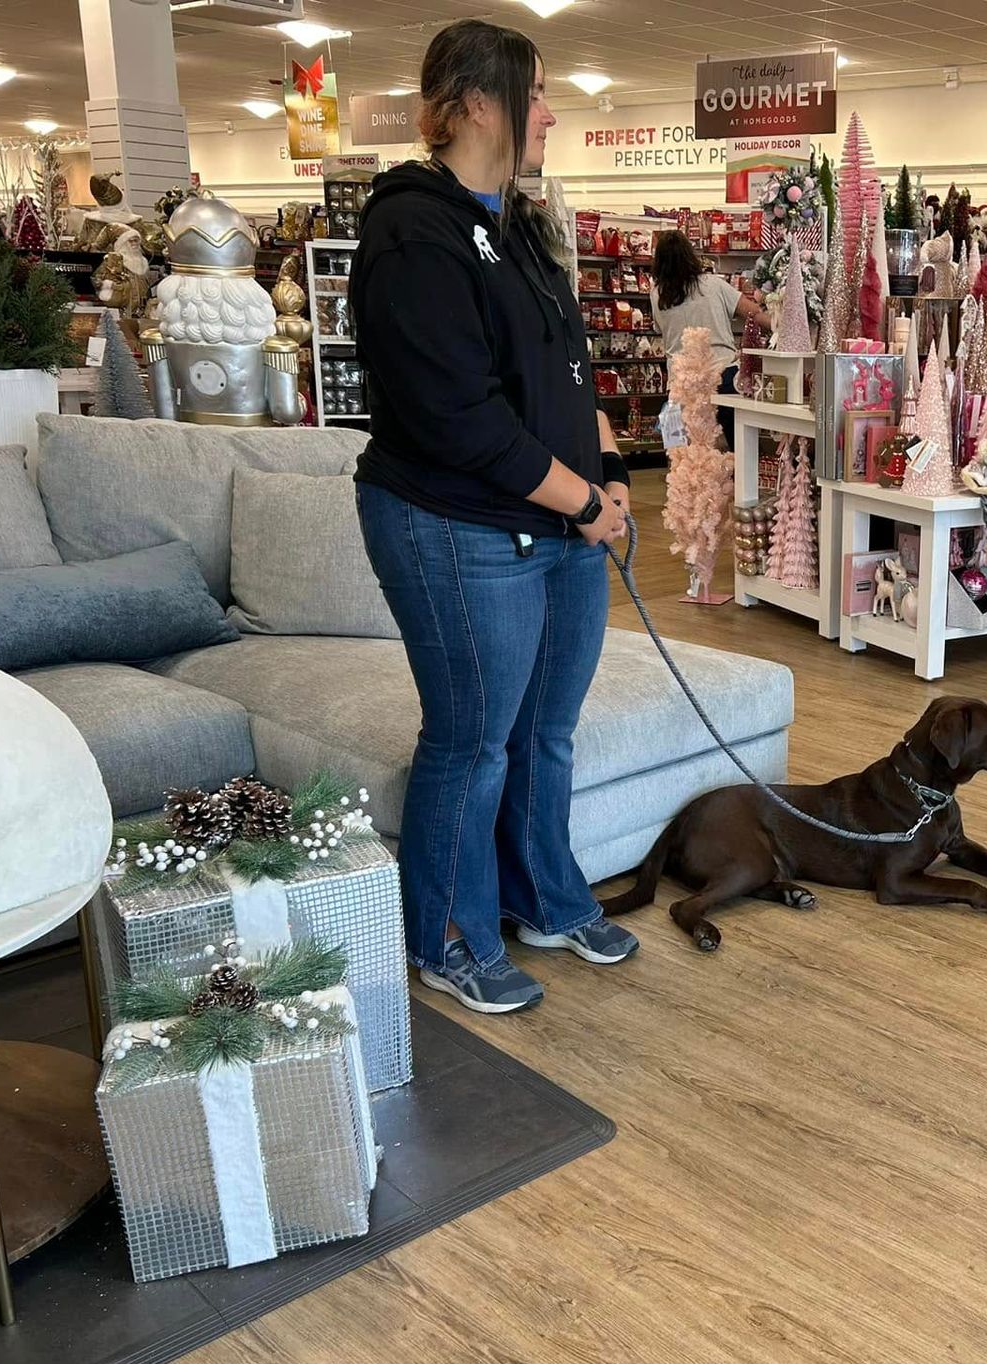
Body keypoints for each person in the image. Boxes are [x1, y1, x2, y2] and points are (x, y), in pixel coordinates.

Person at [350, 18, 641, 1015]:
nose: (553, 113)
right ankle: (450, 935)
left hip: (553, 524)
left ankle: (543, 898)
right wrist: (583, 500)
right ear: (479, 102)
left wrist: (608, 474)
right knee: (473, 740)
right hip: (456, 525)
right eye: (539, 92)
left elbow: (563, 378)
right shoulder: (412, 230)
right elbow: (457, 418)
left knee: (545, 731)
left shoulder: (513, 225)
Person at [651, 229, 768, 450]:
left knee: (683, 456)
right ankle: (740, 483)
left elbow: (660, 328)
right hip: (722, 374)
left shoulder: (657, 293)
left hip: (682, 383)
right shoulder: (714, 284)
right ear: (690, 254)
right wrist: (782, 323)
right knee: (740, 448)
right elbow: (753, 313)